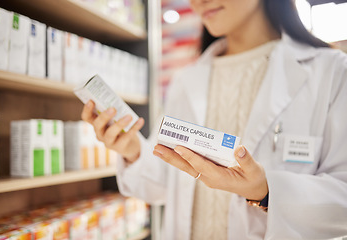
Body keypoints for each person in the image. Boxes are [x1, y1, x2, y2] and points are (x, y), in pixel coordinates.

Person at [82, 0, 347, 239]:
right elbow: (163, 183)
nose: (198, 2)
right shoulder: (186, 80)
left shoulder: (331, 71)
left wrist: (266, 191)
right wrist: (131, 150)